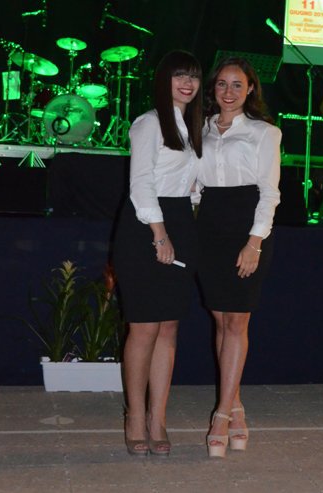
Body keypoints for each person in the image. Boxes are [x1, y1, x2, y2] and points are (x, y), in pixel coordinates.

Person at [111, 50, 202, 456]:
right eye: (179, 75)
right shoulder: (149, 123)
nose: (187, 83)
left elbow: (191, 182)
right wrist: (160, 235)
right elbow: (141, 183)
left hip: (180, 220)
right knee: (144, 327)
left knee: (169, 328)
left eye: (193, 77)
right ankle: (134, 416)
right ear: (163, 80)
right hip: (146, 224)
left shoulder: (194, 126)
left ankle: (157, 418)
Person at [197, 57, 281, 458]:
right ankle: (237, 407)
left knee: (237, 322)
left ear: (250, 89)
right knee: (220, 320)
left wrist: (254, 242)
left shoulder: (265, 132)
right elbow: (194, 185)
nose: (228, 92)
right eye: (221, 84)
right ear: (213, 88)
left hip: (246, 226)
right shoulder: (200, 129)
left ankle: (220, 416)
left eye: (237, 84)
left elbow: (270, 192)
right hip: (208, 227)